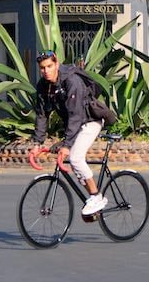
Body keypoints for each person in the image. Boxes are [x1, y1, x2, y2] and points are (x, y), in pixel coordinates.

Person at [28, 49, 108, 216]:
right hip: (75, 125)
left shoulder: (72, 81)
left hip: (89, 121)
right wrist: (37, 143)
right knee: (73, 161)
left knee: (75, 157)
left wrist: (67, 145)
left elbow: (76, 115)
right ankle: (93, 203)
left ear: (56, 63)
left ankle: (96, 197)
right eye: (42, 68)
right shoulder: (43, 86)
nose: (46, 71)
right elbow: (42, 115)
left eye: (49, 66)